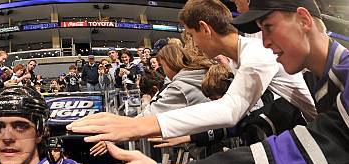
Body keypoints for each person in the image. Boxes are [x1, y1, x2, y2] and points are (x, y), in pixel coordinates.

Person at [69, 0, 348, 164]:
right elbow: (276, 117)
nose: (264, 41)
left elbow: (232, 111)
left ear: (304, 19)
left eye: (269, 27)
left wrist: (144, 131)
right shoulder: (315, 74)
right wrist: (194, 139)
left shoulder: (262, 56)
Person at [69, 0, 316, 143]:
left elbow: (230, 110)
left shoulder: (256, 53)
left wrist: (140, 126)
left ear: (205, 29)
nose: (193, 46)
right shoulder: (237, 60)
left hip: (332, 133)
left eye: (192, 36)